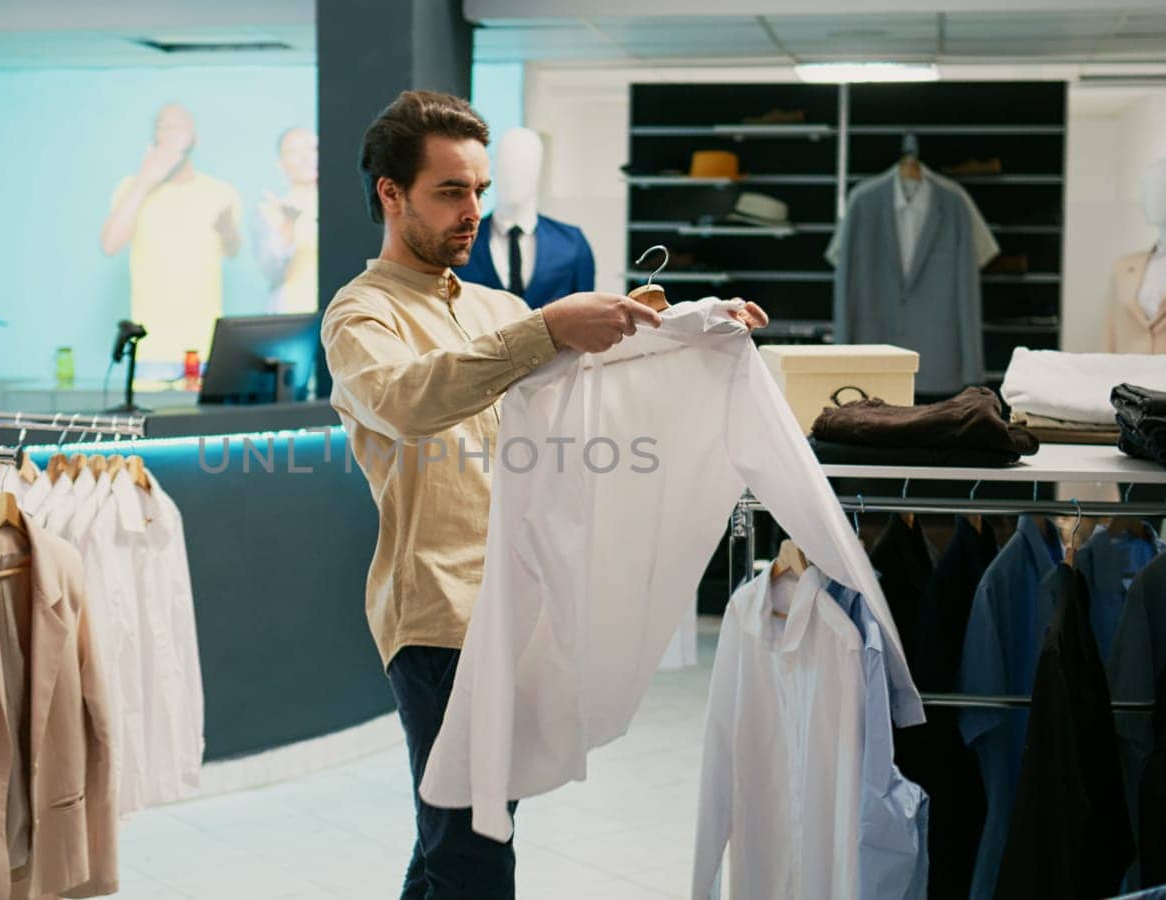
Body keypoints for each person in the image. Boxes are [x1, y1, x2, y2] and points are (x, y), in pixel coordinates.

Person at [321, 90, 766, 899]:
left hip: (519, 601)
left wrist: (696, 331)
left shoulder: (497, 307)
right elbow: (408, 401)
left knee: (455, 839)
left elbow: (582, 388)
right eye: (451, 192)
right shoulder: (361, 315)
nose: (473, 213)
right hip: (440, 614)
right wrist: (548, 329)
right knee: (474, 844)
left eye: (479, 192)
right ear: (391, 192)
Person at [101, 103, 243, 368]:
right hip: (150, 347)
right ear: (155, 138)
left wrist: (226, 229)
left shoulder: (221, 192)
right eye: (163, 126)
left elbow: (234, 250)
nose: (171, 133)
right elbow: (110, 245)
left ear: (195, 137)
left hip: (204, 346)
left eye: (179, 126)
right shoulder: (131, 188)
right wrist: (145, 181)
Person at [256, 126, 319, 314]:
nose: (305, 157)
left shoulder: (342, 200)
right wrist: (288, 225)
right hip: (292, 314)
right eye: (294, 151)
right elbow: (272, 272)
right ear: (281, 163)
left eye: (312, 148)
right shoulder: (269, 209)